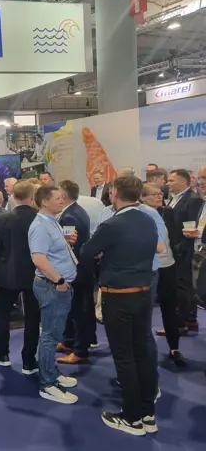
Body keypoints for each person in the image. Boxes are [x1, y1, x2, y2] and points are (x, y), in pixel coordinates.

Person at [80, 176, 160, 436]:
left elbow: (86, 253)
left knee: (124, 357)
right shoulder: (148, 220)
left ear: (114, 193)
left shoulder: (111, 224)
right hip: (144, 294)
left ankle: (132, 418)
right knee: (142, 354)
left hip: (118, 297)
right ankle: (147, 414)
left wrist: (102, 258)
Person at [28, 185, 79, 404]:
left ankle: (51, 372)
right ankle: (47, 383)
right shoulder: (40, 225)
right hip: (52, 286)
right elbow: (39, 259)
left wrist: (65, 243)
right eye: (58, 198)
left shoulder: (51, 221)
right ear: (45, 202)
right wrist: (59, 281)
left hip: (58, 285)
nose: (63, 200)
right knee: (50, 335)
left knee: (54, 333)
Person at [0, 181, 40, 374]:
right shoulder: (40, 218)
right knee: (33, 317)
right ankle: (29, 360)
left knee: (3, 314)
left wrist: (3, 262)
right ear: (32, 196)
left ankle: (2, 353)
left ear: (14, 197)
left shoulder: (2, 219)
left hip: (8, 273)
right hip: (35, 273)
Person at [140, 183, 186, 366]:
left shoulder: (168, 212)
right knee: (145, 309)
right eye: (154, 194)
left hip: (168, 265)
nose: (159, 196)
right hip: (148, 267)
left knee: (170, 307)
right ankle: (143, 351)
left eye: (160, 193)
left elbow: (175, 237)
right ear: (142, 197)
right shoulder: (140, 216)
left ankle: (174, 347)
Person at [57, 180, 94, 366]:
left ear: (63, 196)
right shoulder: (77, 211)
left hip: (76, 269)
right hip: (81, 267)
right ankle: (69, 342)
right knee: (76, 308)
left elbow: (69, 247)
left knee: (79, 309)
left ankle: (80, 350)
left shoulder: (70, 216)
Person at [167, 169, 203, 332]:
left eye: (171, 180)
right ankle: (189, 320)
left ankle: (182, 323)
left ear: (183, 181)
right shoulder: (174, 198)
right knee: (184, 286)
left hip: (186, 250)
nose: (168, 183)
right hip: (176, 249)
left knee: (185, 287)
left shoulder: (193, 199)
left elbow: (192, 226)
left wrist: (181, 248)